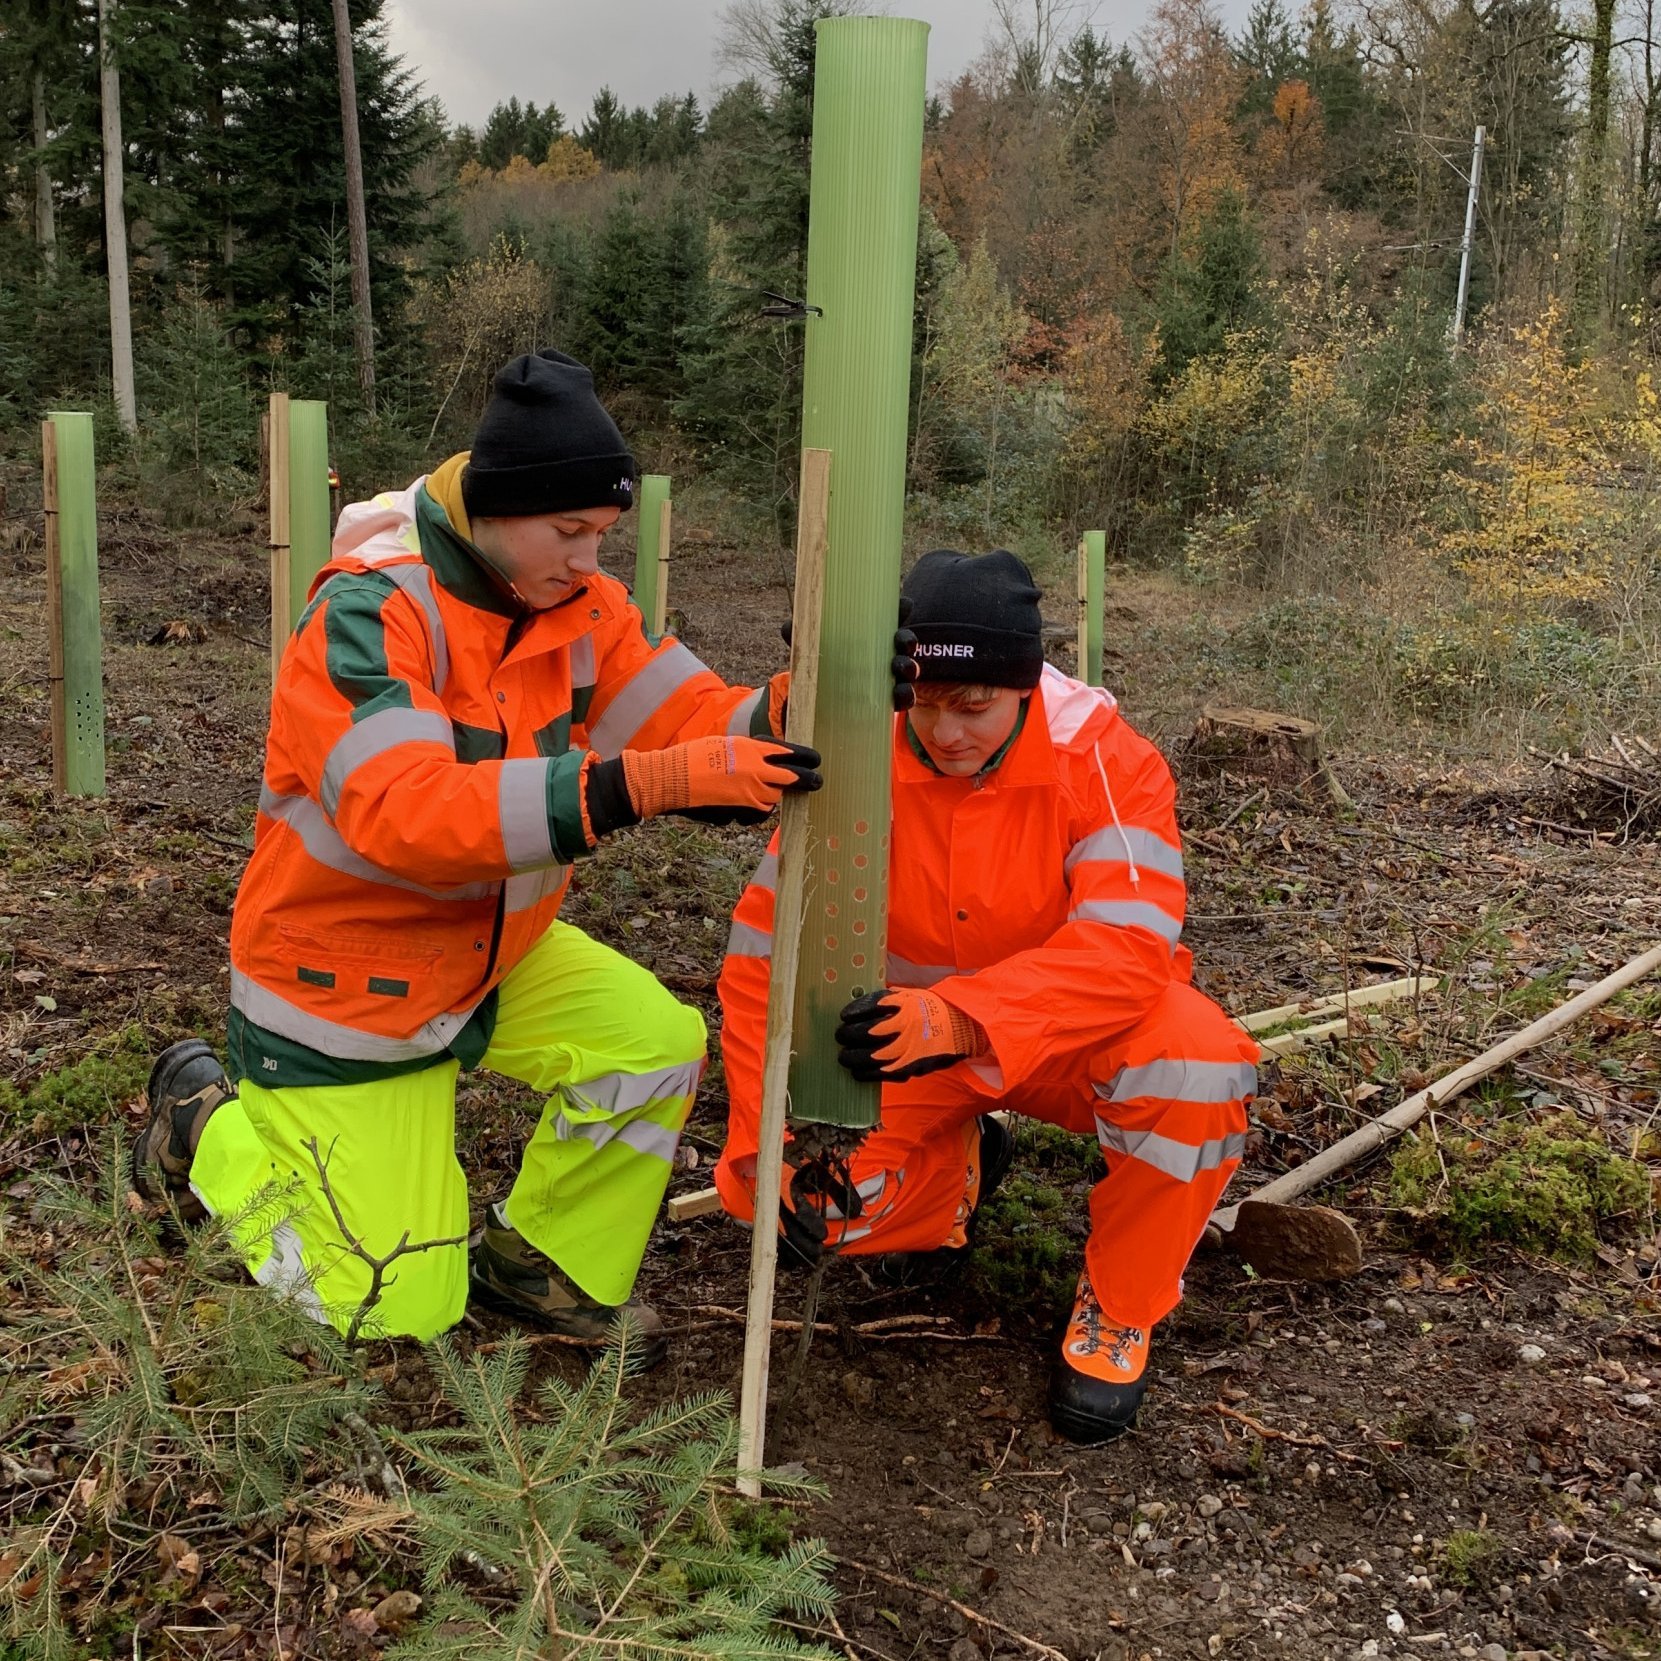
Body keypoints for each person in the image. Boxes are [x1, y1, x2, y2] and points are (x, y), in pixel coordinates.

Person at [130, 349, 857, 1357]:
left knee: (648, 1044)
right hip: (345, 986)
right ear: (494, 507)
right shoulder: (368, 611)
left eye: (601, 535)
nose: (589, 560)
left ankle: (541, 1265)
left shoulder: (577, 606)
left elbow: (685, 716)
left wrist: (800, 697)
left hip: (488, 953)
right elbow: (405, 811)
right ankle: (204, 1123)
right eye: (570, 532)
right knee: (386, 1308)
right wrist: (636, 785)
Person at [714, 548, 1259, 1442]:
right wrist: (761, 1139)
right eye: (925, 704)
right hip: (896, 1049)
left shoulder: (1104, 759)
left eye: (973, 707)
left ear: (1024, 690)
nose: (947, 731)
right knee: (801, 1207)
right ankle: (961, 1171)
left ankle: (1118, 1308)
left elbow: (1127, 948)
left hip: (1070, 1040)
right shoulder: (856, 759)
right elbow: (760, 957)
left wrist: (964, 1017)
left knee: (1196, 1071)